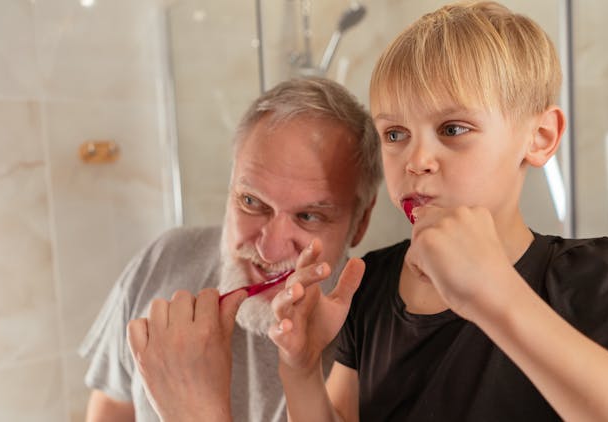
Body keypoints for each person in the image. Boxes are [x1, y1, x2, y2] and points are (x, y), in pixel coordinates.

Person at [269, 2, 608, 421]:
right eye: (395, 134)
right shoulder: (370, 283)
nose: (416, 159)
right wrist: (301, 370)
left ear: (540, 138)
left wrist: (495, 295)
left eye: (453, 129)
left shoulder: (582, 277)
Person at [78, 77, 383, 422]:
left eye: (309, 216)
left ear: (361, 221)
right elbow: (111, 409)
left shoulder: (380, 336)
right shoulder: (164, 259)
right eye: (251, 202)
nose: (269, 250)